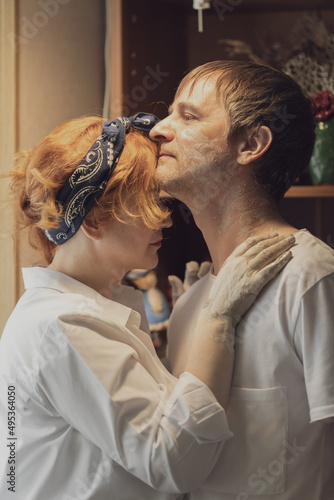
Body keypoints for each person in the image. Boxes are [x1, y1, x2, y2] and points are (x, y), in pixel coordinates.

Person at [0, 112, 295, 500]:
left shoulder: (69, 314)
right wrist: (216, 319)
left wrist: (189, 327)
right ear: (93, 220)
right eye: (149, 204)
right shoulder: (60, 326)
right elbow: (172, 461)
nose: (165, 222)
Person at [150, 60, 334, 500]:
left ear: (251, 143)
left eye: (188, 116)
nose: (158, 128)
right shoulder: (193, 301)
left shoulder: (312, 278)